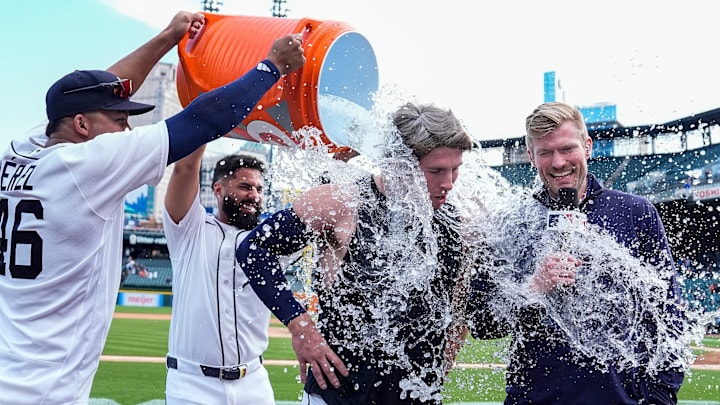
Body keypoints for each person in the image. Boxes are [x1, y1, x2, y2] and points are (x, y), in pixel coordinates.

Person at [0, 11, 324, 403]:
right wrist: (271, 67)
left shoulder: (22, 152)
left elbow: (97, 91)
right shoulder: (87, 165)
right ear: (82, 126)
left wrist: (169, 37)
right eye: (120, 120)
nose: (128, 130)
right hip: (45, 391)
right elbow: (202, 121)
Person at [237, 102, 502, 404]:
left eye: (455, 170)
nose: (448, 184)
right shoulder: (341, 201)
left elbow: (458, 312)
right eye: (436, 171)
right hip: (339, 392)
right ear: (399, 164)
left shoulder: (457, 225)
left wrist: (439, 372)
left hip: (416, 396)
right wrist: (301, 326)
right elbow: (255, 249)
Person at [469, 101, 686, 404]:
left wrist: (660, 396)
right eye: (546, 152)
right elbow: (481, 322)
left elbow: (669, 313)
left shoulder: (635, 212)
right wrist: (533, 289)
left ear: (588, 147)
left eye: (567, 149)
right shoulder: (508, 224)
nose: (558, 162)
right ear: (531, 157)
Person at [162, 148, 275, 403]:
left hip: (254, 383)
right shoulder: (190, 229)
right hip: (192, 385)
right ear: (217, 190)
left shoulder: (268, 240)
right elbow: (185, 168)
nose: (254, 195)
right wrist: (211, 118)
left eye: (259, 189)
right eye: (245, 186)